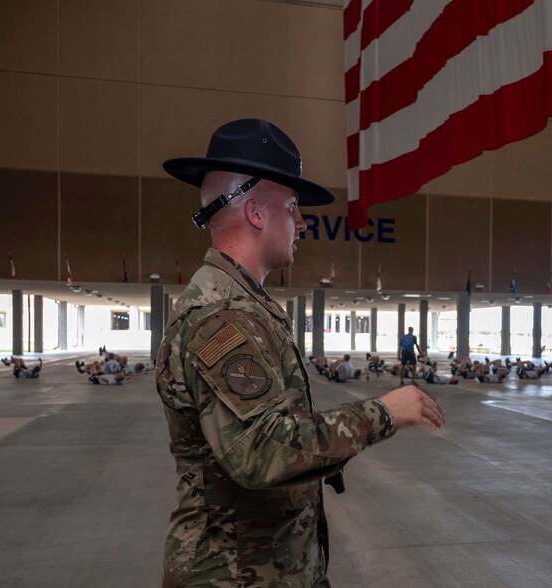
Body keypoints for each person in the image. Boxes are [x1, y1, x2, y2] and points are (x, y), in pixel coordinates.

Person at [155, 118, 444, 587]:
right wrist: (382, 413)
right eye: (293, 207)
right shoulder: (220, 318)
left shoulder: (247, 307)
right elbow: (263, 450)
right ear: (255, 213)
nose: (303, 222)